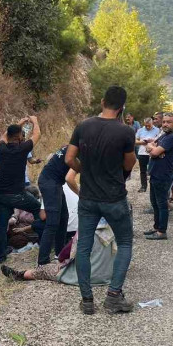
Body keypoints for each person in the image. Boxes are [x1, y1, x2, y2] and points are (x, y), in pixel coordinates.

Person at [65, 86, 136, 315]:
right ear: (122, 107)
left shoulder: (83, 126)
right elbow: (129, 163)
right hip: (114, 197)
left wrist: (84, 170)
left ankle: (87, 300)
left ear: (103, 101)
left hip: (88, 198)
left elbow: (69, 158)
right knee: (124, 243)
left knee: (83, 247)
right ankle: (113, 296)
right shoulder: (125, 132)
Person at [0, 116, 42, 264]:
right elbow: (37, 135)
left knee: (1, 225)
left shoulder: (1, 148)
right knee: (37, 208)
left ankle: (1, 257)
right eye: (22, 134)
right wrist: (34, 121)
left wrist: (19, 124)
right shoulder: (22, 149)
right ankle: (43, 241)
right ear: (20, 137)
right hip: (17, 194)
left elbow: (3, 136)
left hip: (1, 194)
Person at [36, 145, 77, 265]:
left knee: (63, 217)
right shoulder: (78, 149)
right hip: (49, 182)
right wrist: (82, 194)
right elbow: (70, 179)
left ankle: (59, 253)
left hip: (56, 182)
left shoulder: (72, 146)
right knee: (52, 223)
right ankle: (42, 261)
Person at [144, 113, 173, 241]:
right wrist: (153, 148)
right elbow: (151, 147)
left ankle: (161, 231)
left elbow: (153, 152)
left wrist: (153, 150)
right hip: (155, 174)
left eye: (169, 122)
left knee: (162, 204)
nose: (165, 124)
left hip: (163, 175)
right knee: (155, 203)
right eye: (164, 121)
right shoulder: (164, 135)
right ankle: (156, 227)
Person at [135, 117, 161, 193]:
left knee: (153, 170)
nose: (147, 127)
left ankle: (153, 186)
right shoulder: (140, 130)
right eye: (146, 125)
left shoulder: (157, 130)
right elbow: (135, 141)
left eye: (149, 125)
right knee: (143, 171)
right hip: (142, 152)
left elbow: (161, 140)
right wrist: (142, 142)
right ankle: (143, 186)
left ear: (152, 123)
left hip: (153, 152)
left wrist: (153, 141)